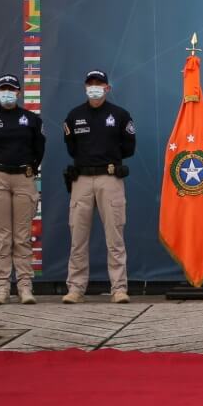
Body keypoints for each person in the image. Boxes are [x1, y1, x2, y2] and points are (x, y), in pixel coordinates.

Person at [62, 69, 136, 303]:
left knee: (115, 236)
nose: (94, 87)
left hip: (110, 178)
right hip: (82, 180)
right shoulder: (74, 116)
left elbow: (128, 148)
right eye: (90, 84)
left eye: (99, 84)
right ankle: (75, 288)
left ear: (107, 88)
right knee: (78, 236)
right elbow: (71, 148)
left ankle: (119, 288)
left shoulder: (120, 115)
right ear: (85, 88)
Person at [0, 73, 45, 304]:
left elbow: (39, 148)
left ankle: (25, 287)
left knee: (22, 236)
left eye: (11, 89)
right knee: (2, 237)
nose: (7, 93)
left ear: (19, 92)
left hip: (24, 177)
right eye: (3, 89)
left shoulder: (31, 119)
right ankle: (2, 288)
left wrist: (29, 168)